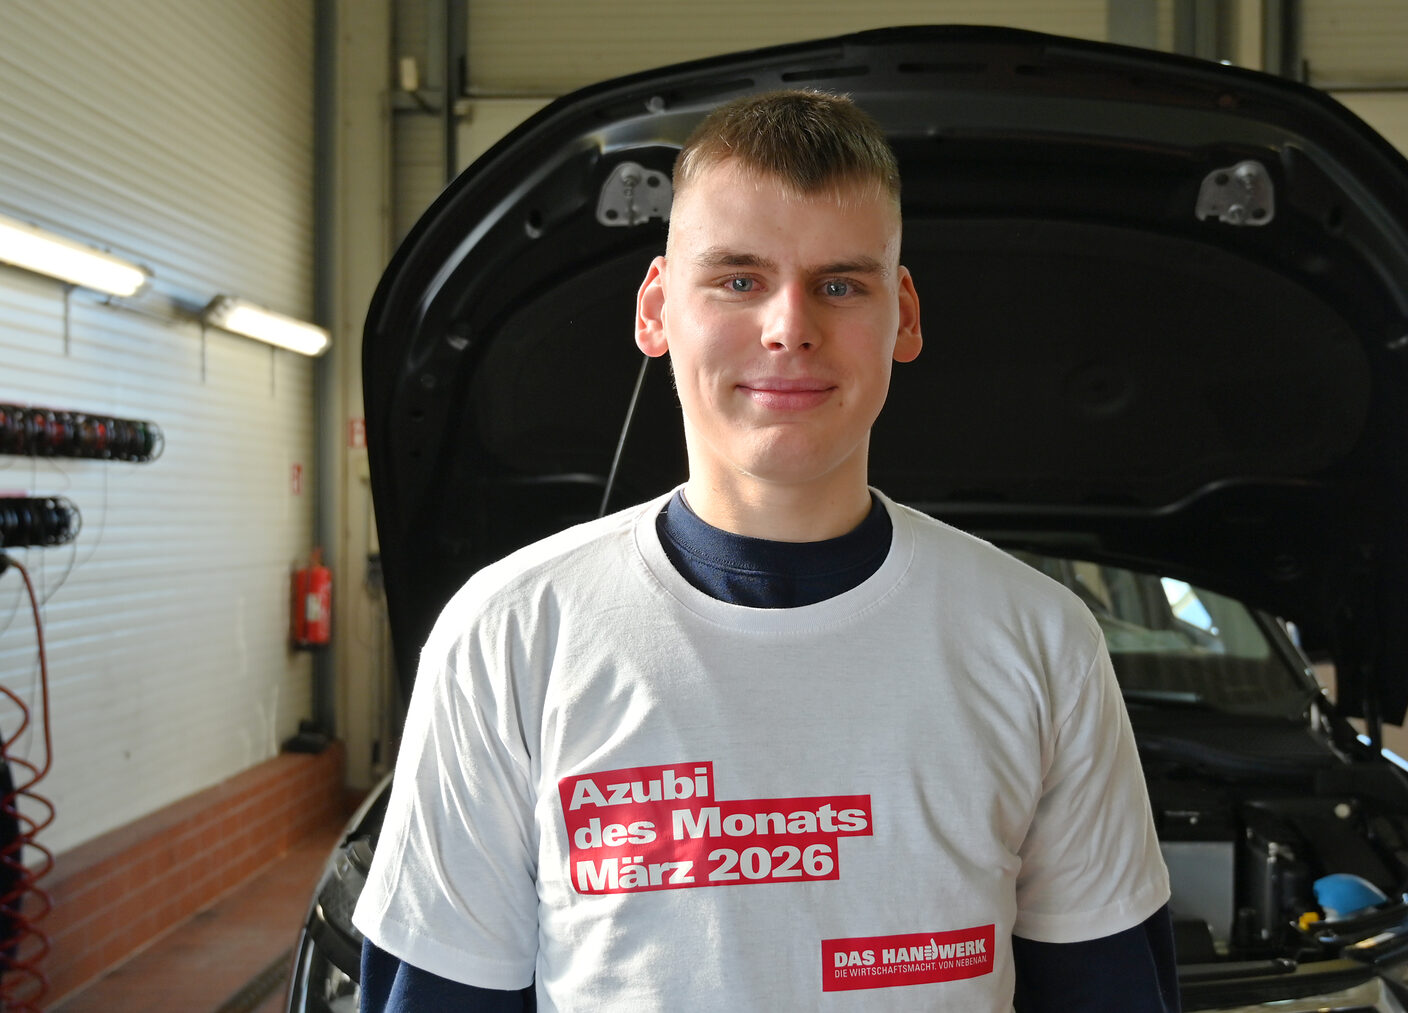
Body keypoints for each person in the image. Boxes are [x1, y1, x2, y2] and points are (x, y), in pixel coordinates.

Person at [353, 89, 1179, 1012]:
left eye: (841, 284)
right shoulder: (509, 635)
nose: (790, 327)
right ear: (657, 308)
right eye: (739, 280)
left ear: (904, 314)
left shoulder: (1041, 641)